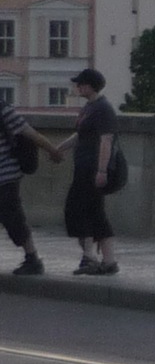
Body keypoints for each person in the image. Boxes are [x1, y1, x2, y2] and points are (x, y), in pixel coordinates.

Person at [60, 70, 118, 277]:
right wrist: (59, 148)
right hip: (84, 167)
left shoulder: (103, 108)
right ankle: (109, 261)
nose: (78, 87)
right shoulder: (90, 107)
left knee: (78, 210)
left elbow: (106, 140)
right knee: (95, 212)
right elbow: (80, 135)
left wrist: (102, 170)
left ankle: (90, 257)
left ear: (91, 85)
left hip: (91, 168)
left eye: (81, 84)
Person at [0, 87, 57, 275]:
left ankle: (32, 258)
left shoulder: (3, 109)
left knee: (13, 217)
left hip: (6, 174)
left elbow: (30, 134)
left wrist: (53, 150)